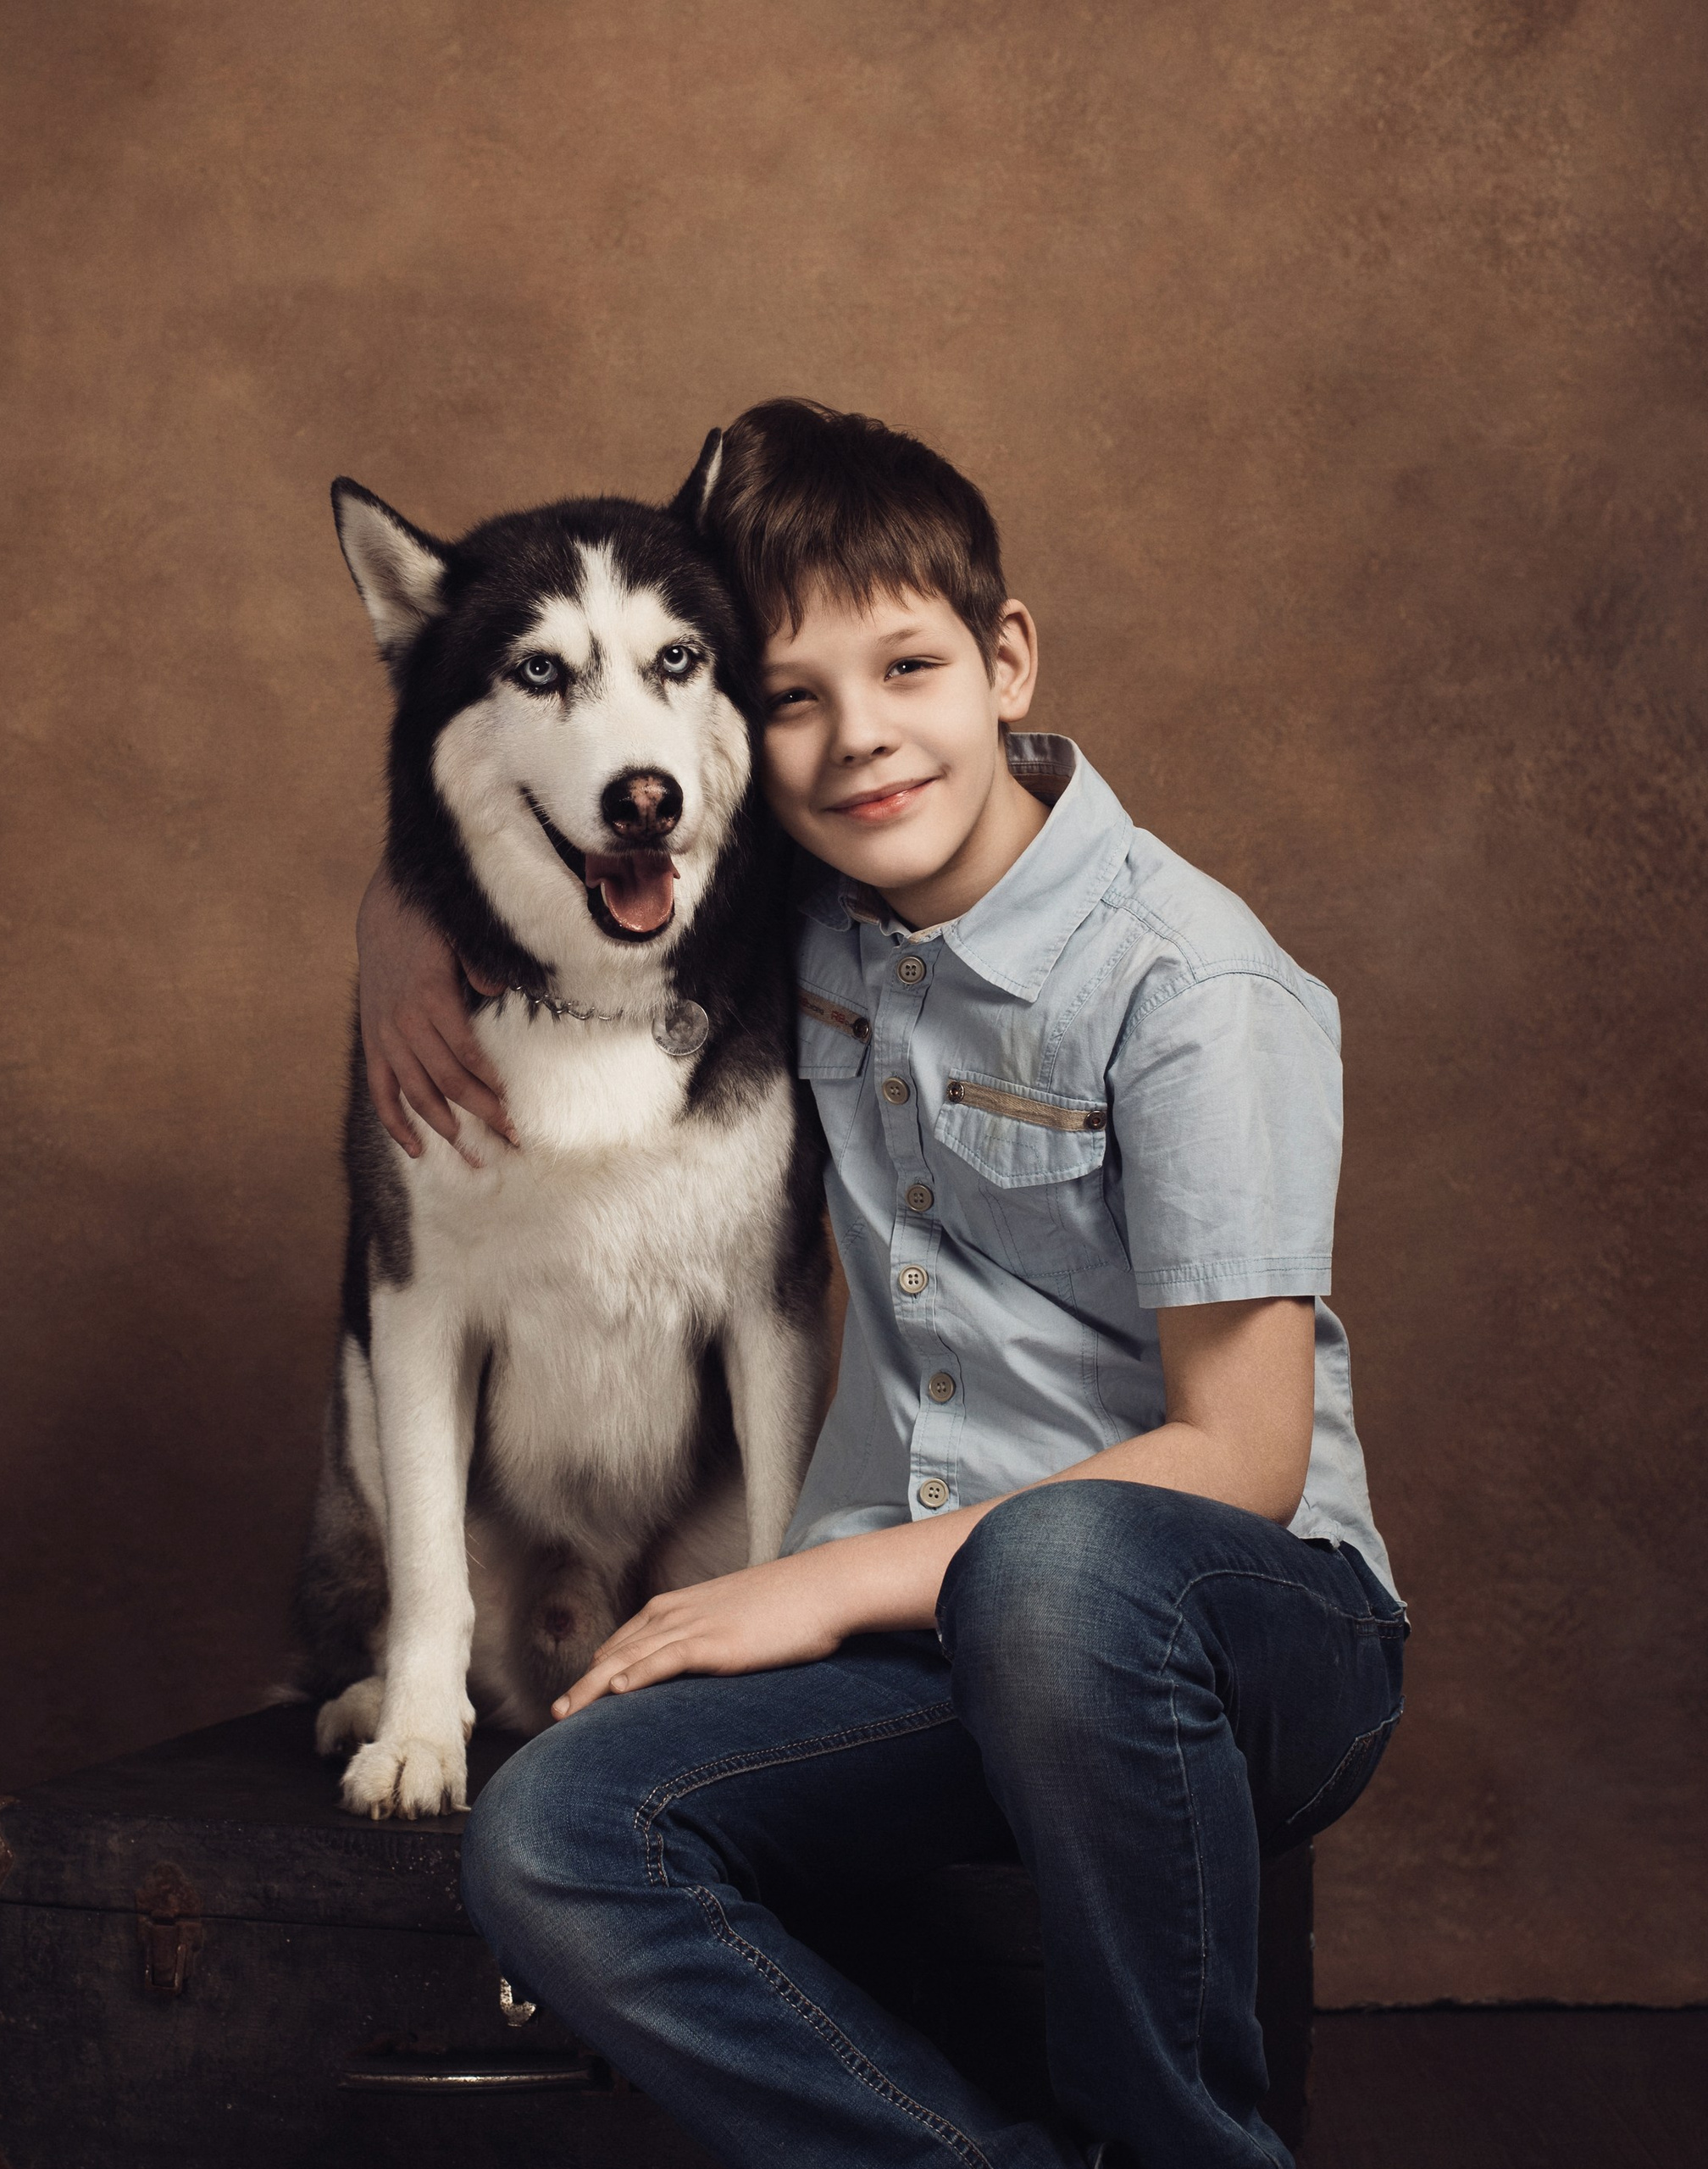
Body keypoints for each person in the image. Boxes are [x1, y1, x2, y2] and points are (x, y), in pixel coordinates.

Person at [354, 399, 1406, 2169]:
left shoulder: (1191, 983)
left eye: (904, 667)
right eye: (789, 700)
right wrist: (395, 917)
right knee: (550, 1830)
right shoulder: (809, 908)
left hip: (1234, 1636)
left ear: (1004, 660)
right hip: (931, 1657)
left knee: (1053, 1567)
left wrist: (825, 1578)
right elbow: (522, 808)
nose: (856, 745)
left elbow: (1240, 1450)